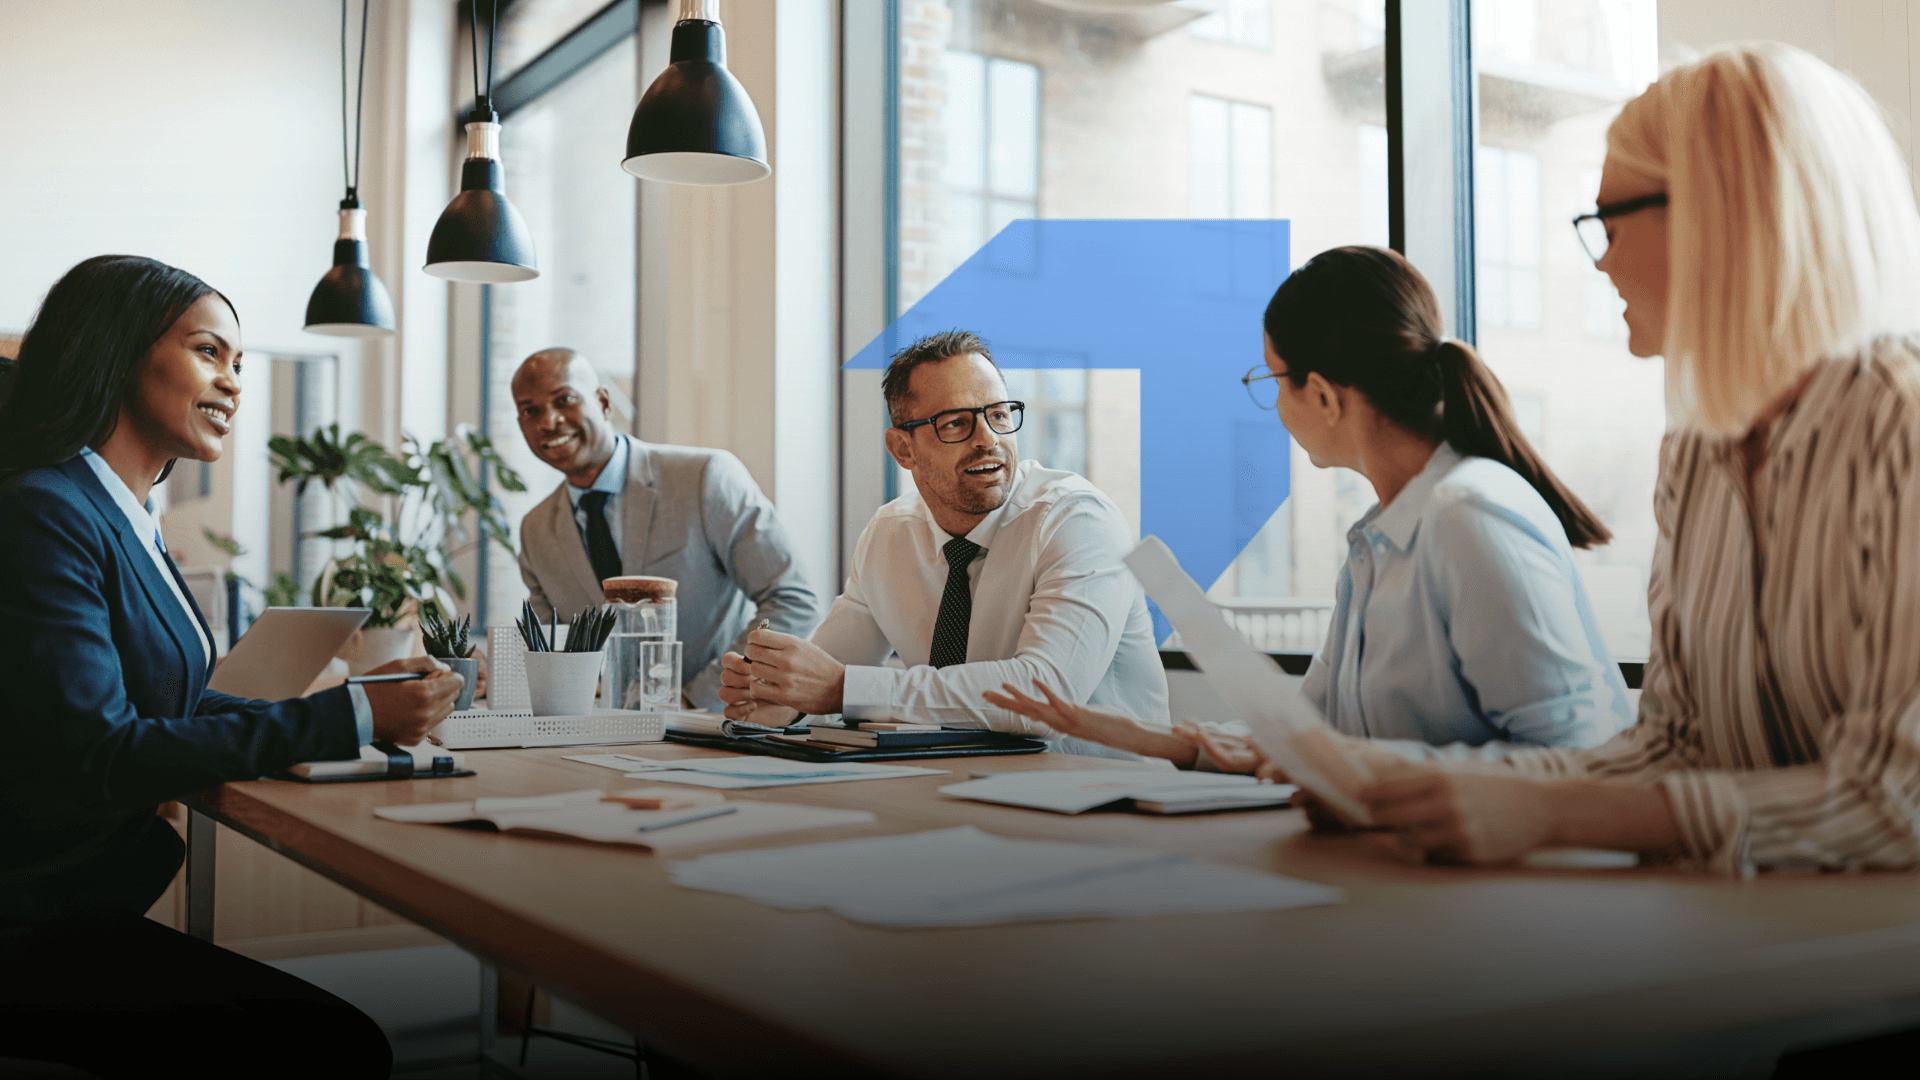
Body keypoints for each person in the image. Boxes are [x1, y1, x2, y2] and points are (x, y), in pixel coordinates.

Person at [1295, 43, 1920, 879]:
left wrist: (1549, 813)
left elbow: (1894, 798)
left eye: (1609, 223)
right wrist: (1410, 785)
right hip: (1750, 938)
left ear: (1720, 213)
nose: (1603, 263)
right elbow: (1669, 750)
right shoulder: (1697, 454)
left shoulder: (1901, 426)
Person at [0, 255, 462, 1079]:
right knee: (334, 1047)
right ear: (118, 351)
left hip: (76, 910)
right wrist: (351, 718)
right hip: (32, 926)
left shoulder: (122, 514)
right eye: (210, 352)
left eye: (241, 364)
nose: (235, 383)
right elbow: (101, 753)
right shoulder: (47, 510)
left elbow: (169, 701)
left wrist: (358, 704)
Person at [988, 246, 1634, 770]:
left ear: (1322, 395)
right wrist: (1161, 740)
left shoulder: (1470, 518)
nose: (1274, 406)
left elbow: (1574, 757)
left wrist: (1367, 769)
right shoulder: (1377, 541)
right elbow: (1317, 739)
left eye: (1271, 379)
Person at [715, 330, 1169, 760]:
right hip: (961, 787)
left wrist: (842, 690)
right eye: (956, 423)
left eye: (999, 415)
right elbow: (831, 670)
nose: (988, 439)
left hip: (1108, 804)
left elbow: (1042, 694)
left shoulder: (1077, 519)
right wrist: (780, 697)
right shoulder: (890, 535)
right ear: (903, 450)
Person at [511, 347, 823, 711]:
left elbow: (793, 601)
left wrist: (699, 697)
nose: (548, 422)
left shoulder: (705, 477)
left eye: (564, 400)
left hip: (714, 722)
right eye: (530, 411)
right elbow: (551, 649)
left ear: (603, 402)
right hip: (599, 732)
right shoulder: (535, 531)